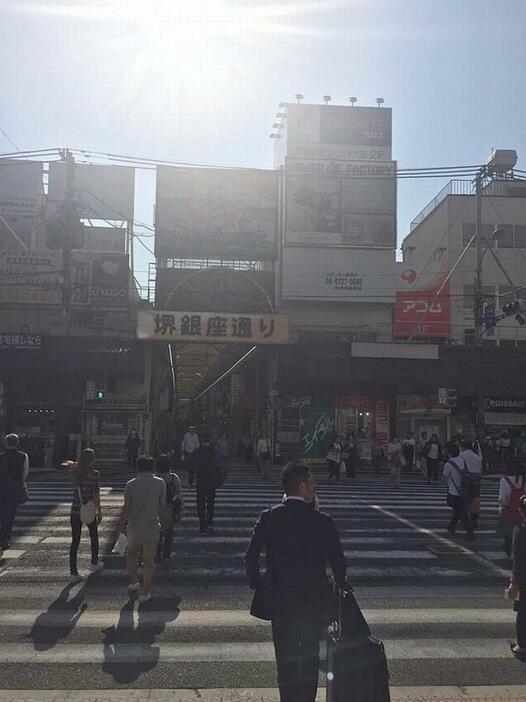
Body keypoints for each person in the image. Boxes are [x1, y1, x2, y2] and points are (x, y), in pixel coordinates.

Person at [245, 462, 346, 702]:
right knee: (310, 656)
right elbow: (338, 562)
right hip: (313, 599)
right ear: (302, 486)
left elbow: (251, 557)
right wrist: (338, 584)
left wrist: (260, 584)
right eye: (312, 483)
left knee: (285, 658)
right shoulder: (322, 521)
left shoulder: (269, 517)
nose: (314, 488)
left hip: (280, 598)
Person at [116, 455, 166, 603]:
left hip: (134, 527)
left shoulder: (130, 484)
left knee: (131, 554)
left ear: (138, 467)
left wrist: (120, 526)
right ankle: (145, 592)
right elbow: (162, 505)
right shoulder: (160, 482)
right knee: (149, 560)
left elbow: (126, 508)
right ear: (152, 467)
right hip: (152, 526)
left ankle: (133, 582)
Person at [67, 448, 102, 583]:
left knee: (75, 541)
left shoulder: (75, 472)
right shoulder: (94, 474)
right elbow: (95, 494)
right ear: (92, 460)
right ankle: (94, 562)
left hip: (75, 509)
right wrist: (99, 511)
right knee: (94, 535)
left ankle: (73, 572)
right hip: (88, 509)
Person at [0, 433, 29, 551]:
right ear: (17, 443)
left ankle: (3, 537)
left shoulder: (1, 456)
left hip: (1, 488)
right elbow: (24, 473)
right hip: (14, 489)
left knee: (2, 514)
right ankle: (4, 538)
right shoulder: (23, 456)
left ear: (6, 443)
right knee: (10, 515)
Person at [506, 495, 526, 658]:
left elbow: (518, 559)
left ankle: (522, 645)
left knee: (523, 611)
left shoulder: (521, 530)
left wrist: (514, 582)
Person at [443, 441, 474, 540]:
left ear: (449, 453)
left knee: (462, 513)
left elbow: (445, 477)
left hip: (454, 491)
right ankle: (451, 526)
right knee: (457, 510)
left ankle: (470, 532)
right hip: (463, 490)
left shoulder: (449, 464)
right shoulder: (461, 461)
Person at [155, 453, 183, 564]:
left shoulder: (155, 477)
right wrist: (180, 509)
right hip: (170, 509)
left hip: (157, 510)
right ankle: (167, 553)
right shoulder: (173, 477)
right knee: (169, 532)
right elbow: (179, 494)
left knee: (157, 533)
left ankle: (157, 554)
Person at [498, 458, 526, 557]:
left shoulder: (505, 480)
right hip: (522, 511)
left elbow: (503, 499)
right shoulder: (523, 480)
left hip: (508, 511)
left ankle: (509, 547)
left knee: (508, 533)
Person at [194, 434, 218, 535]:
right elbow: (218, 465)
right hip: (211, 480)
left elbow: (193, 465)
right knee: (211, 503)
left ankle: (202, 524)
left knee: (200, 503)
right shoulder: (213, 452)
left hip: (201, 480)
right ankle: (210, 522)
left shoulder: (197, 451)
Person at [459, 439, 483, 528]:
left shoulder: (461, 455)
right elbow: (480, 469)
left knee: (464, 500)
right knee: (475, 499)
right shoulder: (477, 457)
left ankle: (465, 519)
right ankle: (474, 518)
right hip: (477, 479)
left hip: (466, 479)